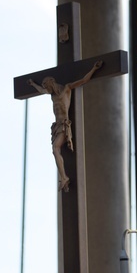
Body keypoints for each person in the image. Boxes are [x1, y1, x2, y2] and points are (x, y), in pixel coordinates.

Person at [28, 60, 103, 192]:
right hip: (56, 126)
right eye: (45, 86)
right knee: (55, 149)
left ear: (52, 82)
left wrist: (94, 69)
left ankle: (64, 177)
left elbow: (83, 80)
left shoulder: (66, 88)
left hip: (64, 125)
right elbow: (41, 90)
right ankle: (63, 177)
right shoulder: (51, 95)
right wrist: (33, 84)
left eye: (47, 85)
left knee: (56, 148)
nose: (46, 88)